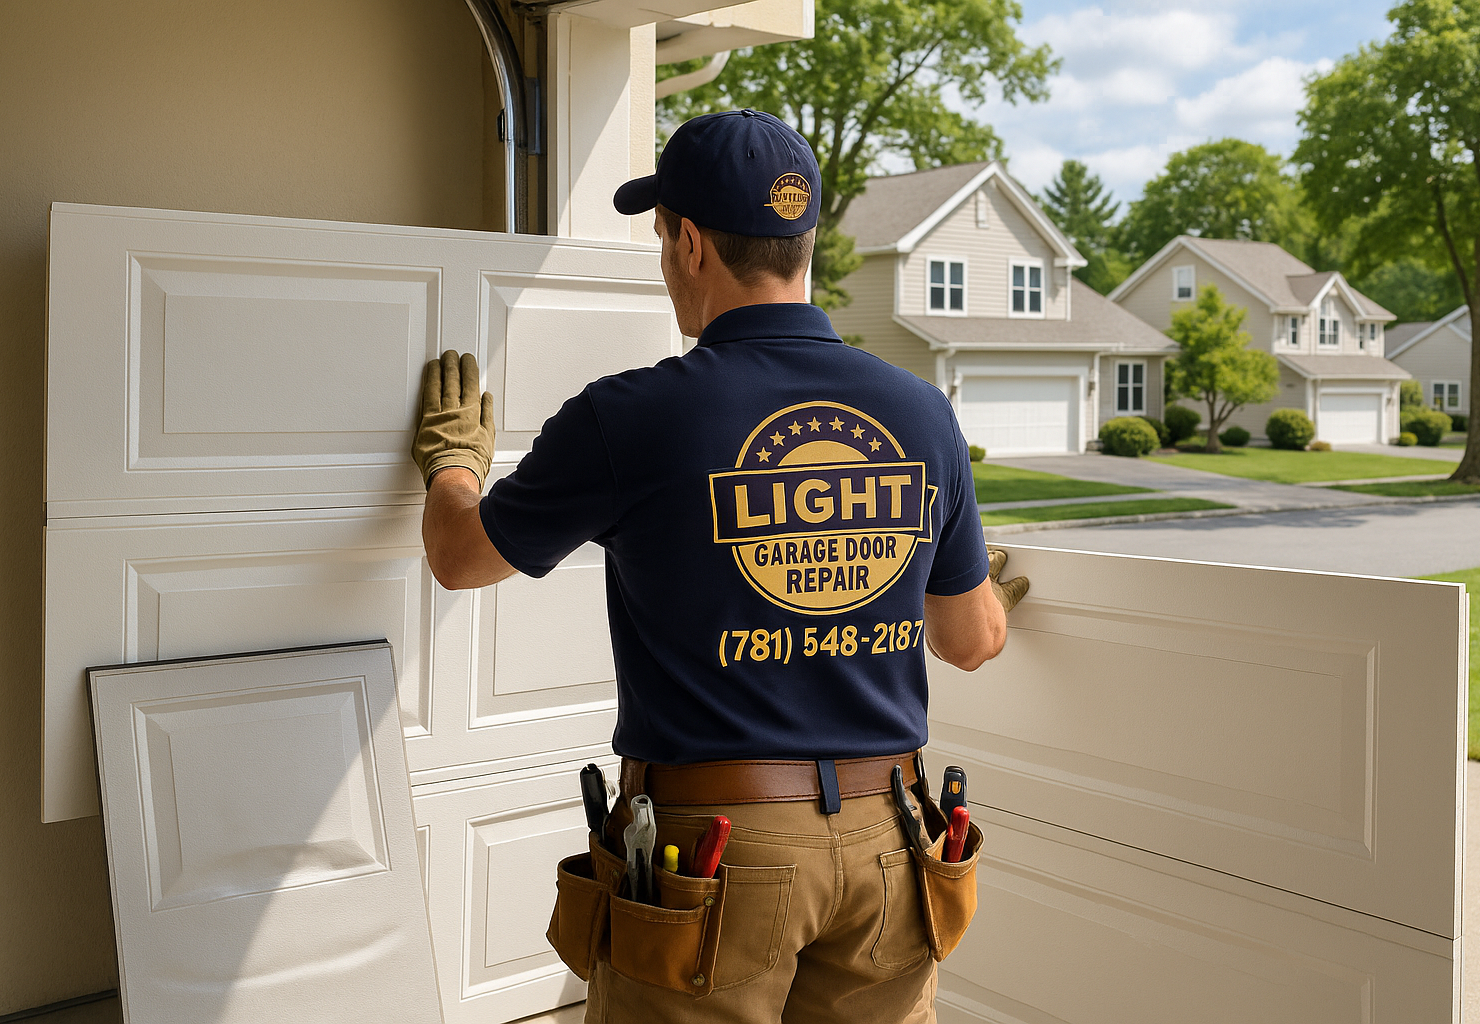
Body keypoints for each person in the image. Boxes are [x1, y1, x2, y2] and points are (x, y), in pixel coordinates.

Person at [411, 108, 1027, 1024]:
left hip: (720, 853)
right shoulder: (920, 413)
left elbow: (462, 560)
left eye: (663, 241)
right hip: (894, 840)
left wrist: (454, 463)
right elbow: (972, 640)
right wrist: (926, 559)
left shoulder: (632, 416)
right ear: (802, 243)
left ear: (691, 243)